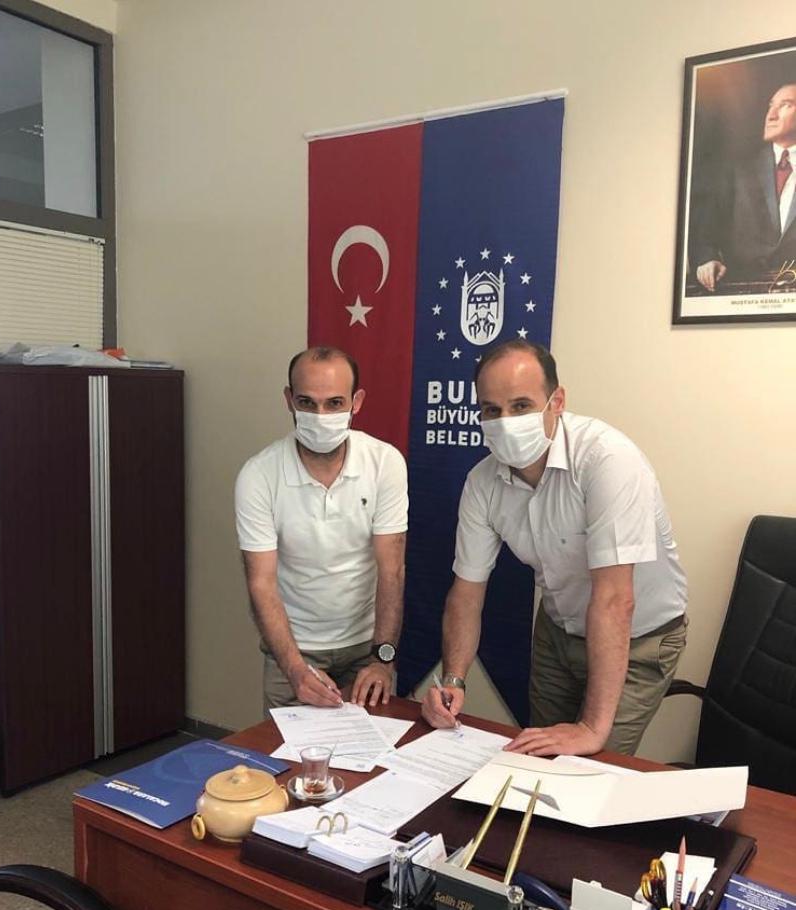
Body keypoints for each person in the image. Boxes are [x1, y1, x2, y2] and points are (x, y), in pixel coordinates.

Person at [421, 339, 688, 756]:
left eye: (521, 406)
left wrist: (591, 729)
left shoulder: (607, 459)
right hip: (558, 629)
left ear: (557, 401)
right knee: (539, 757)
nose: (505, 422)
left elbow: (615, 599)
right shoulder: (482, 482)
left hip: (638, 638)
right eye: (491, 410)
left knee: (591, 765)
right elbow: (467, 593)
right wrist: (453, 680)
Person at [235, 346, 407, 714]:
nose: (320, 416)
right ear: (289, 400)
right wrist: (295, 669)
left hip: (366, 647)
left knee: (371, 747)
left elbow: (391, 570)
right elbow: (261, 583)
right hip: (293, 650)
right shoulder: (258, 475)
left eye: (334, 403)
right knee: (284, 750)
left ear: (356, 402)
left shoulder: (385, 463)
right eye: (307, 403)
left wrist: (383, 659)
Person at [691, 83, 796, 292]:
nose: (771, 115)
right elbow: (705, 232)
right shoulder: (737, 169)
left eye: (786, 105)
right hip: (739, 293)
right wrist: (708, 259)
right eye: (771, 106)